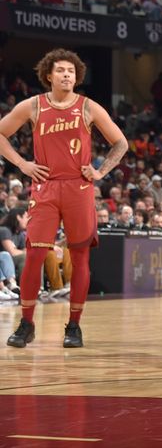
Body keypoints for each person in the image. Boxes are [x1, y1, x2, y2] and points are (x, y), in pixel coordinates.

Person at [2, 49, 127, 348]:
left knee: (80, 257)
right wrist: (22, 164)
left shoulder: (87, 107)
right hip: (45, 187)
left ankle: (74, 326)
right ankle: (27, 323)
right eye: (60, 70)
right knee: (34, 256)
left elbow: (120, 142)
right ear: (49, 75)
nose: (67, 74)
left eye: (71, 70)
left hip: (79, 188)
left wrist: (100, 171)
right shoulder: (33, 106)